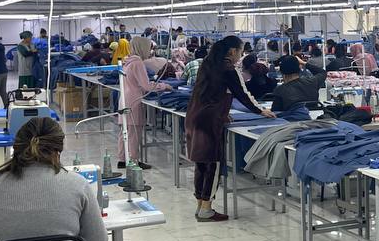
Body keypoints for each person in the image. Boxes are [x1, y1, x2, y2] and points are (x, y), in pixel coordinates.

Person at [186, 35, 273, 221]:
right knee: (213, 164)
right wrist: (260, 111)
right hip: (210, 121)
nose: (240, 56)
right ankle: (206, 209)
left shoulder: (207, 63)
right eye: (240, 52)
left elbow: (210, 93)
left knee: (201, 163)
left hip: (194, 116)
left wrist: (223, 112)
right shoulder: (228, 69)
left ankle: (200, 205)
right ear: (233, 51)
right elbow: (242, 93)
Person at [117, 37, 172, 169]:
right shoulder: (138, 63)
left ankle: (122, 160)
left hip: (124, 99)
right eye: (148, 48)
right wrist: (164, 86)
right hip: (133, 101)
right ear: (142, 48)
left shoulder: (127, 61)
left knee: (124, 131)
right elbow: (146, 86)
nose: (149, 51)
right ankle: (133, 161)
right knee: (134, 134)